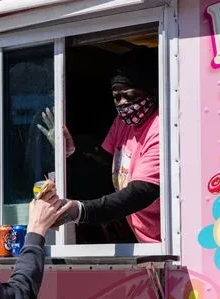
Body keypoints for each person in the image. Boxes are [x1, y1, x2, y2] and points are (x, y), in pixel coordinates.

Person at [37, 46, 161, 243]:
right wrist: (71, 154)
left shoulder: (160, 128)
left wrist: (81, 210)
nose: (122, 103)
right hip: (139, 238)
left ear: (151, 93)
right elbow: (102, 177)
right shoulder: (121, 124)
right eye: (117, 97)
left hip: (164, 242)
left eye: (130, 96)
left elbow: (140, 193)